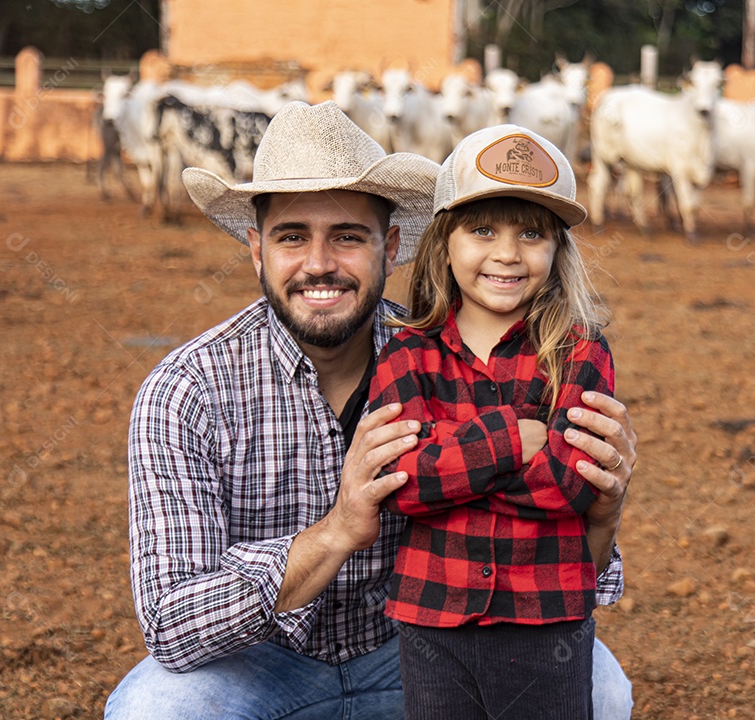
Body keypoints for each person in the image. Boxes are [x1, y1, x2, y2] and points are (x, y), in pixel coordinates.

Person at [104, 101, 637, 720]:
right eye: (292, 236)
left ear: (390, 246)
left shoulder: (439, 349)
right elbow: (172, 623)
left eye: (348, 237)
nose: (320, 264)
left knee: (600, 689)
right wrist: (336, 532)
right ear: (257, 249)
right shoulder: (186, 391)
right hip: (265, 660)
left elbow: (581, 563)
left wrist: (605, 510)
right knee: (157, 710)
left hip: (425, 639)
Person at [367, 124, 615, 718]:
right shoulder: (406, 353)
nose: (507, 253)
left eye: (531, 233)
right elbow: (402, 483)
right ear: (443, 243)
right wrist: (513, 441)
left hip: (546, 616)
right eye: (483, 230)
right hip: (433, 618)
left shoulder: (580, 351)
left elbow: (570, 482)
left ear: (558, 249)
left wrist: (448, 460)